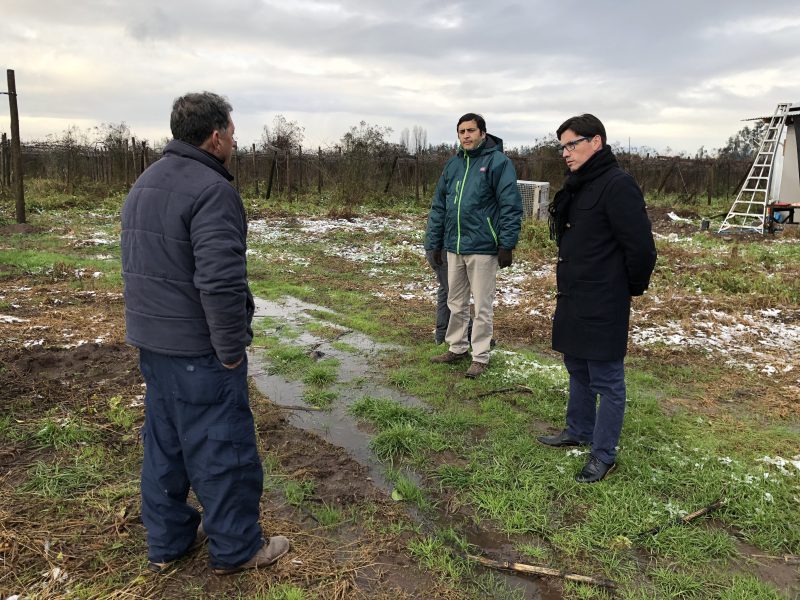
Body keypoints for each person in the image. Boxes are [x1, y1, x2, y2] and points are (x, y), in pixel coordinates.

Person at [121, 91, 291, 574]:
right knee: (223, 449)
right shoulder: (212, 190)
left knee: (165, 446)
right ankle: (237, 549)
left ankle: (169, 541)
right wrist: (230, 349)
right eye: (233, 134)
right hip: (199, 349)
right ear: (216, 137)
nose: (235, 142)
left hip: (154, 345)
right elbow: (219, 281)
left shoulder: (146, 182)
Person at [537, 114, 656, 483]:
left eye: (572, 144)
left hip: (604, 298)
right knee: (578, 368)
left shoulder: (617, 185)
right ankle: (578, 430)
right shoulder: (580, 185)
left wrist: (625, 289)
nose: (566, 153)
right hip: (574, 295)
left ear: (597, 142)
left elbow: (641, 249)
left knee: (606, 378)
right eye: (562, 147)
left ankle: (603, 454)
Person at [425, 113, 522, 378]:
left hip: (483, 246)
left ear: (482, 133)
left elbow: (510, 205)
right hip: (453, 245)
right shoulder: (453, 165)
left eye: (470, 130)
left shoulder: (498, 163)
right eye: (461, 131)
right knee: (456, 302)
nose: (466, 136)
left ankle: (480, 356)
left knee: (481, 305)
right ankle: (456, 348)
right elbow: (439, 206)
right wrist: (434, 242)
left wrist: (507, 243)